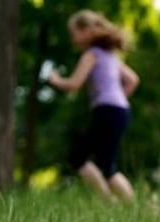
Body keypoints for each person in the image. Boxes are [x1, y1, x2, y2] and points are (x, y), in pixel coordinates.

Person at [48, 9, 139, 203]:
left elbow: (74, 84)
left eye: (74, 33)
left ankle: (110, 202)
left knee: (78, 156)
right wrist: (119, 99)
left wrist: (55, 80)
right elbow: (132, 80)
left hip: (107, 110)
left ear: (87, 30)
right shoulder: (112, 56)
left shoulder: (93, 54)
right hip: (120, 111)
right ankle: (129, 205)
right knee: (107, 164)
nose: (73, 39)